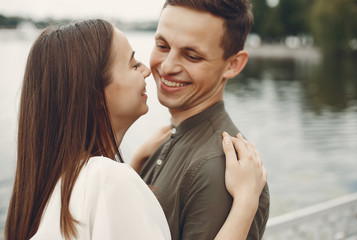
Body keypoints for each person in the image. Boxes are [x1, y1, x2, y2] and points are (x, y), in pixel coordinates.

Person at [4, 19, 267, 240]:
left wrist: (133, 164)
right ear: (96, 95)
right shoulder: (109, 180)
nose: (148, 70)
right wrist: (245, 201)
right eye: (132, 64)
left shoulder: (58, 180)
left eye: (192, 55)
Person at [139, 0, 270, 239]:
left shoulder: (218, 168)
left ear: (232, 64)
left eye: (192, 56)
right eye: (162, 45)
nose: (167, 67)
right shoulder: (164, 140)